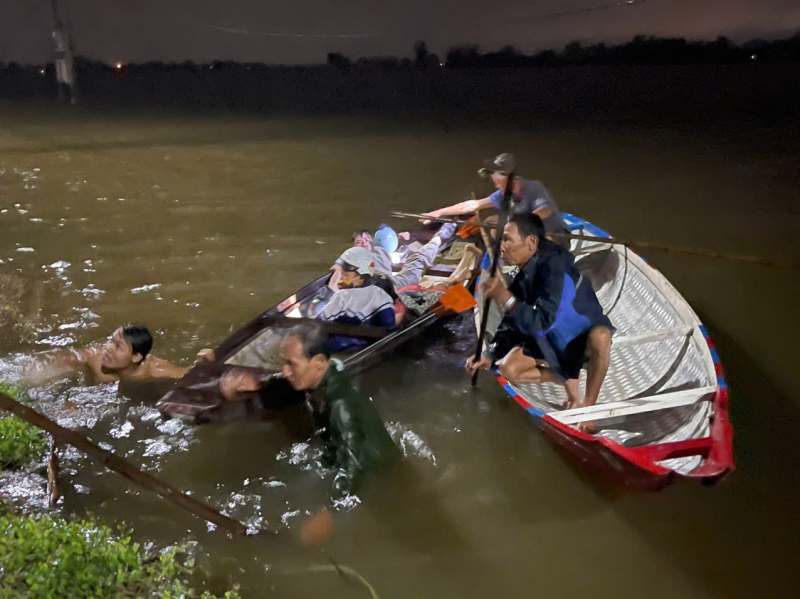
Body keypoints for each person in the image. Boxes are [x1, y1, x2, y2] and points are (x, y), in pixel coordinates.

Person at [465, 212, 613, 433]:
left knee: (601, 337)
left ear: (531, 242)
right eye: (502, 240)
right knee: (508, 369)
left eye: (508, 240)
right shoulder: (523, 275)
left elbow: (544, 321)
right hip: (553, 338)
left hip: (579, 336)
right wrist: (490, 353)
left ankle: (588, 408)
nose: (502, 247)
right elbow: (512, 323)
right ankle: (564, 376)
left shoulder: (556, 268)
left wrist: (505, 297)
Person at [221, 321, 401, 495]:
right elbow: (285, 383)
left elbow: (353, 471)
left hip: (383, 477)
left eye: (292, 364)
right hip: (342, 456)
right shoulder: (320, 378)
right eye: (284, 363)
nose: (285, 371)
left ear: (319, 362)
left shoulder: (341, 406)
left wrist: (331, 509)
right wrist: (259, 384)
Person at [422, 153, 571, 239]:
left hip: (554, 234)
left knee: (501, 226)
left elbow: (544, 211)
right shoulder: (503, 194)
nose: (497, 187)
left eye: (499, 182)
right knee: (492, 226)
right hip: (528, 235)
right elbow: (472, 205)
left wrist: (512, 222)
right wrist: (438, 213)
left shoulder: (534, 187)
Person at [26, 324, 189, 385]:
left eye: (117, 346)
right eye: (110, 341)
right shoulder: (95, 360)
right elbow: (62, 361)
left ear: (136, 357)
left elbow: (192, 377)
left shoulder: (156, 370)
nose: (108, 348)